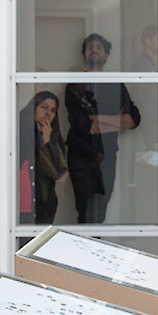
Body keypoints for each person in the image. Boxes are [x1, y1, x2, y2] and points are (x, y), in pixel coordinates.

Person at [64, 33, 141, 224]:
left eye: (99, 47)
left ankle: (95, 251)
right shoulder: (75, 85)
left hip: (107, 156)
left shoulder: (115, 84)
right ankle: (84, 252)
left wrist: (98, 120)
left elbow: (132, 120)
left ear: (106, 55)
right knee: (85, 213)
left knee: (100, 213)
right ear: (83, 55)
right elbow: (84, 125)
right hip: (81, 157)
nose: (94, 50)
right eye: (90, 47)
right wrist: (115, 119)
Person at [18, 91, 67, 224]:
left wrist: (47, 142)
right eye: (44, 107)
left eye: (53, 110)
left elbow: (56, 171)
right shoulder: (19, 132)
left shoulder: (53, 136)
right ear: (34, 108)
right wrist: (43, 144)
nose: (48, 113)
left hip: (45, 205)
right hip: (24, 204)